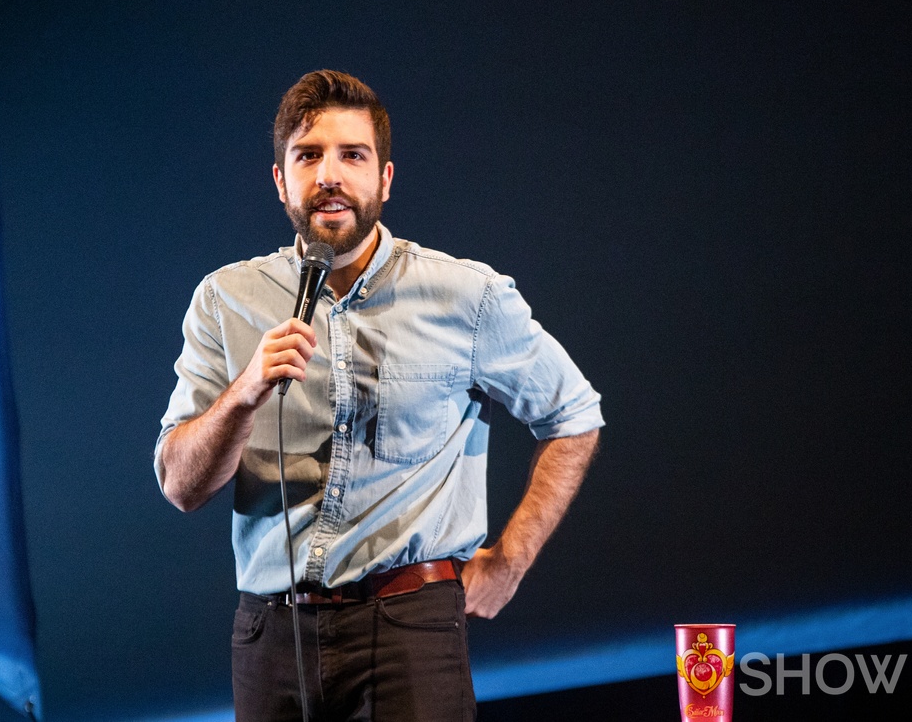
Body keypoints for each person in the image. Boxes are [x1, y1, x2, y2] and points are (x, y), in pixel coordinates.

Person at [154, 70, 603, 722]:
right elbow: (181, 485)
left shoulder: (464, 295)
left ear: (385, 179)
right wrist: (245, 393)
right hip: (269, 634)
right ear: (280, 180)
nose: (329, 175)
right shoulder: (225, 301)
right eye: (308, 156)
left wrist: (510, 558)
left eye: (352, 155)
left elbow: (573, 414)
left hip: (409, 625)